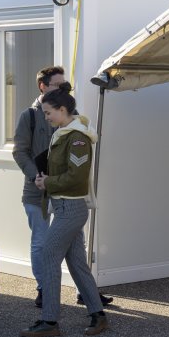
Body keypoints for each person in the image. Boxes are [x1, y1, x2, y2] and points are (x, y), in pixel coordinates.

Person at [12, 66, 114, 310]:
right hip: (37, 192)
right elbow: (19, 151)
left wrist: (51, 180)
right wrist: (37, 176)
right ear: (43, 86)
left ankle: (83, 295)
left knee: (74, 248)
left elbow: (77, 164)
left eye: (64, 85)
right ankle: (45, 291)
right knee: (41, 243)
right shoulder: (29, 116)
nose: (64, 89)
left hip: (65, 196)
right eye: (58, 85)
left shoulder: (72, 118)